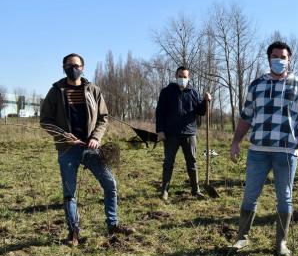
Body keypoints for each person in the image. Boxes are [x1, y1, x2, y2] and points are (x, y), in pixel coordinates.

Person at [229, 41, 298, 256]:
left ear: (289, 60)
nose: (279, 60)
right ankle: (241, 238)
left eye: (283, 57)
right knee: (250, 195)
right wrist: (236, 141)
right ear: (269, 59)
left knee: (284, 197)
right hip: (258, 151)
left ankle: (281, 243)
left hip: (286, 153)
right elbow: (246, 117)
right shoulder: (256, 85)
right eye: (275, 56)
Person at [40, 53, 133, 245]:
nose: (73, 68)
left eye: (76, 65)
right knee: (69, 192)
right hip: (67, 149)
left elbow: (103, 118)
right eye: (68, 65)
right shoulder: (56, 91)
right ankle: (73, 233)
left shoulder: (93, 90)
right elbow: (46, 121)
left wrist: (96, 138)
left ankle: (113, 224)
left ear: (83, 67)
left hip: (90, 148)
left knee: (110, 184)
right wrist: (63, 136)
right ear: (63, 67)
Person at [155, 66, 211, 200]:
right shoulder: (167, 92)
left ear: (188, 78)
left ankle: (195, 190)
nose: (182, 79)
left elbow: (201, 111)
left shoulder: (193, 92)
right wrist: (160, 130)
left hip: (189, 133)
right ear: (176, 76)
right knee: (168, 162)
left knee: (192, 162)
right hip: (171, 134)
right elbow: (160, 112)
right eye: (180, 76)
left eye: (185, 77)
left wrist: (206, 101)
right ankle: (164, 191)